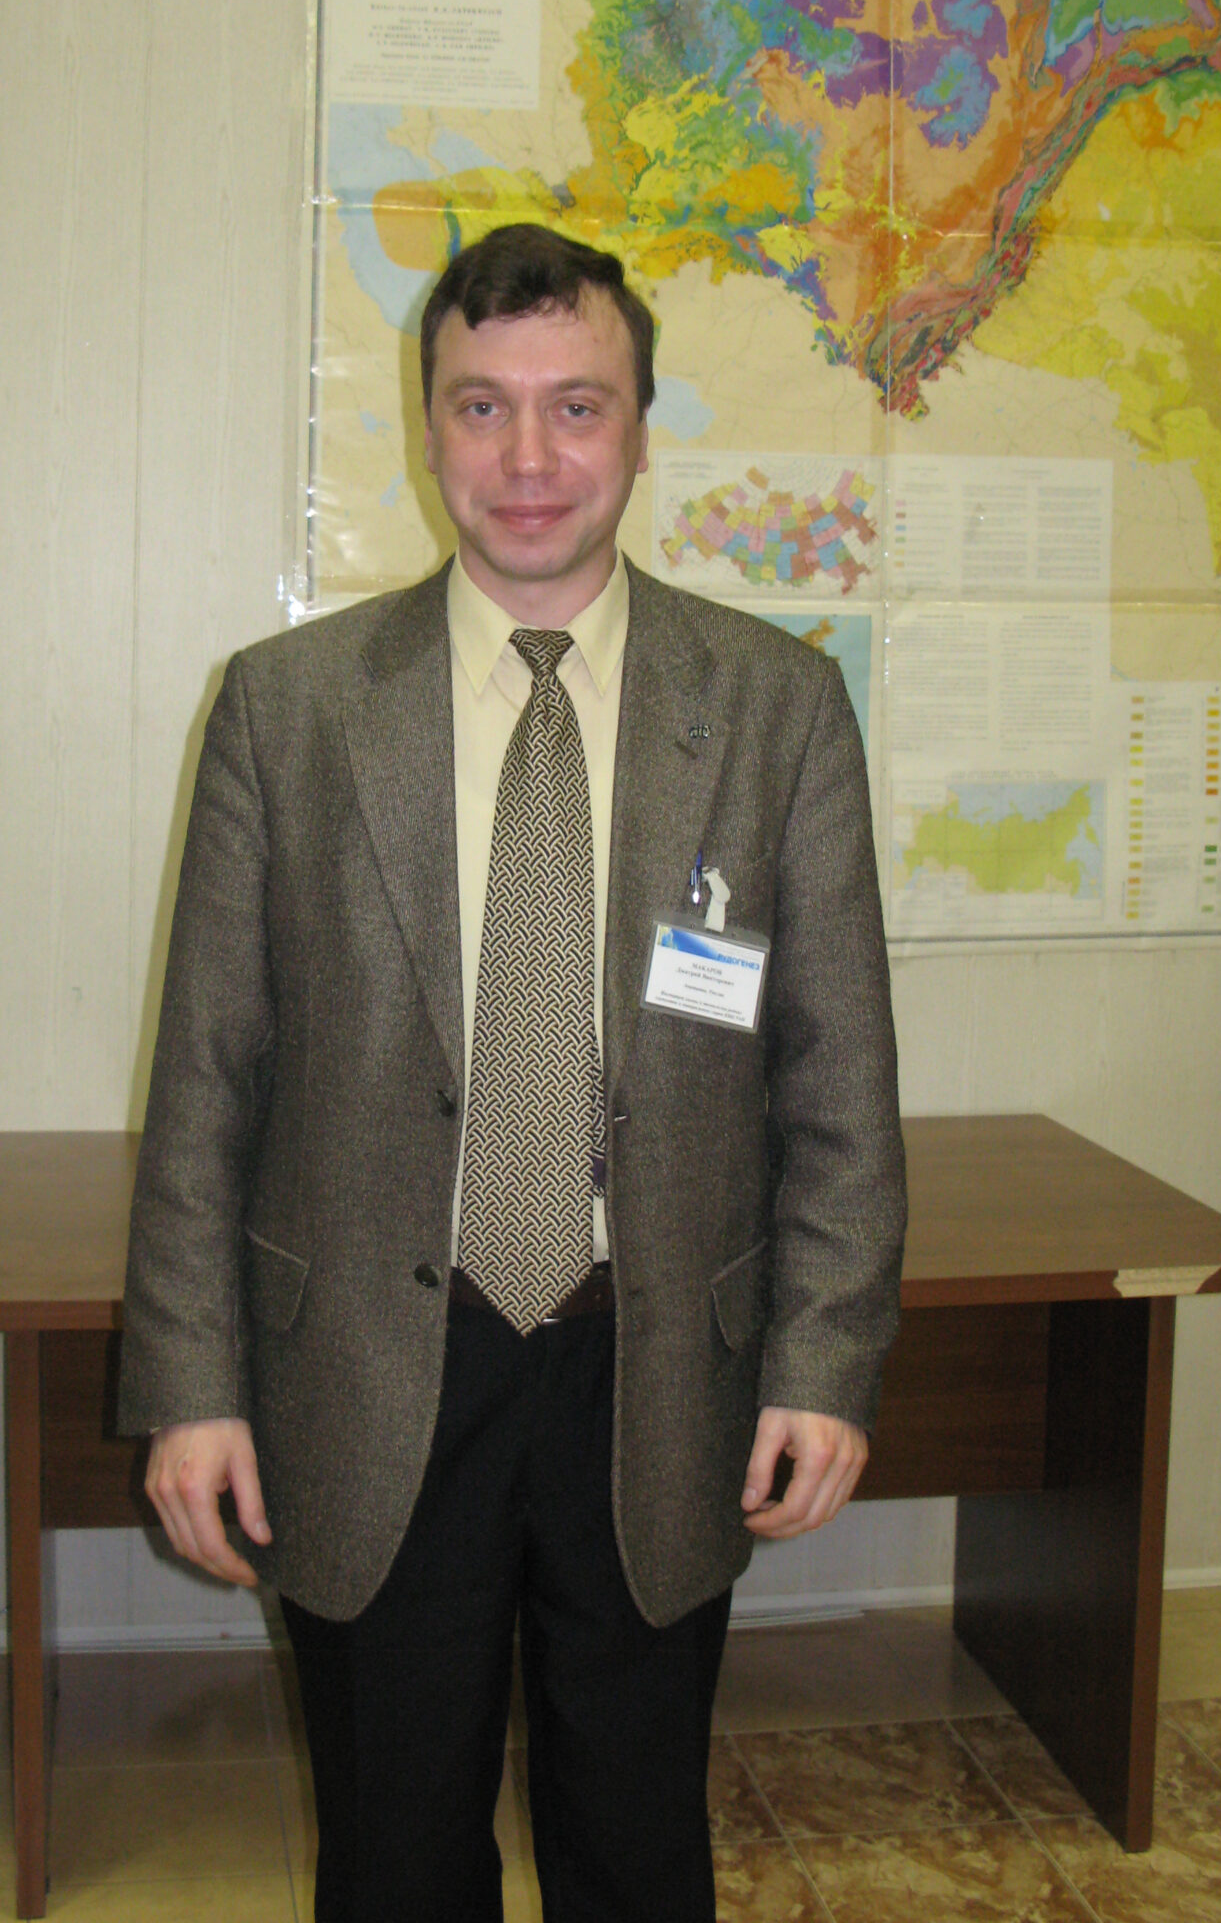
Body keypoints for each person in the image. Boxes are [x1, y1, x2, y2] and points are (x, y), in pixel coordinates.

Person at [119, 222, 906, 1922]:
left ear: (640, 429)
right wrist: (191, 1387)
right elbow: (206, 1086)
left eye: (576, 406)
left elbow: (836, 1078)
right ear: (427, 430)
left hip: (658, 1373)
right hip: (372, 1370)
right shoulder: (286, 710)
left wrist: (826, 1359)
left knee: (638, 1853)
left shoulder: (774, 711)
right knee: (395, 1862)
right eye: (483, 407)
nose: (529, 458)